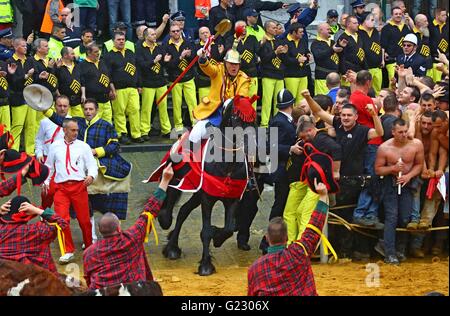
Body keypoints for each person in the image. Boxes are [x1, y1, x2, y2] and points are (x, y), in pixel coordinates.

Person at [302, 89, 383, 258]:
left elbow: (380, 133)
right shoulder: (338, 124)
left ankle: (353, 253)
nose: (345, 118)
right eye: (344, 115)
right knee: (337, 217)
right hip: (338, 180)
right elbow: (318, 112)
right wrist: (308, 97)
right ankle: (339, 252)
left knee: (350, 218)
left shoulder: (363, 131)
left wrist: (374, 115)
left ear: (355, 117)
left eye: (349, 115)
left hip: (354, 180)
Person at [83, 163, 173, 290]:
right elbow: (150, 210)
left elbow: (88, 279)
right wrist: (165, 180)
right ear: (119, 228)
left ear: (100, 231)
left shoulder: (89, 253)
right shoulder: (132, 238)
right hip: (132, 292)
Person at [45, 99, 132, 221]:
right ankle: (91, 235)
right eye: (85, 109)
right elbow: (59, 120)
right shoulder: (77, 123)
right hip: (80, 167)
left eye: (91, 109)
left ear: (97, 110)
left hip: (100, 166)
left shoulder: (106, 125)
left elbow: (114, 146)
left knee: (109, 203)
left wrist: (96, 151)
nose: (88, 111)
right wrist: (44, 108)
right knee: (85, 206)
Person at [248, 178, 330, 296]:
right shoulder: (299, 252)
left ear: (267, 238)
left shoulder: (255, 268)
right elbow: (314, 228)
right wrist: (322, 196)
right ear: (286, 237)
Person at [44, 118, 98, 264]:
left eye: (77, 130)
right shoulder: (54, 146)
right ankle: (67, 250)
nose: (76, 133)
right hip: (61, 188)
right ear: (64, 130)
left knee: (84, 221)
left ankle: (89, 246)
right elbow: (49, 166)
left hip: (79, 186)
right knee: (61, 220)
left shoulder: (84, 147)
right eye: (73, 130)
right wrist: (46, 180)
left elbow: (92, 165)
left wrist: (91, 176)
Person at [283, 115, 341, 244]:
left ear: (309, 130)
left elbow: (337, 149)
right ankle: (295, 245)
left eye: (303, 137)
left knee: (305, 215)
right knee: (298, 212)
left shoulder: (322, 139)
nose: (302, 140)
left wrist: (336, 171)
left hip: (319, 184)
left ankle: (303, 248)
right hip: (311, 183)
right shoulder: (313, 140)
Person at [374, 118, 424, 265]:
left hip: (407, 183)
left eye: (405, 131)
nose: (403, 135)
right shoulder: (384, 148)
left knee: (405, 217)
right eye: (400, 132)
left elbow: (419, 164)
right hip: (390, 183)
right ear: (393, 132)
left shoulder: (416, 144)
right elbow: (377, 169)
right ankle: (389, 253)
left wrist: (408, 176)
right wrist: (392, 169)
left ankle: (400, 249)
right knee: (392, 216)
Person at [191, 33, 250, 142]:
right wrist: (203, 58)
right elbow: (208, 68)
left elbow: (241, 98)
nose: (233, 67)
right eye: (230, 63)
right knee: (195, 134)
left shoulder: (244, 78)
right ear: (225, 63)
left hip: (233, 116)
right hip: (214, 111)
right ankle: (191, 157)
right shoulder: (218, 69)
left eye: (236, 64)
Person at [259, 89, 297, 253]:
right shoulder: (279, 121)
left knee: (282, 204)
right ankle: (267, 240)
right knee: (279, 204)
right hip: (282, 170)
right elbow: (270, 147)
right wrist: (290, 148)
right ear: (292, 104)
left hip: (285, 169)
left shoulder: (284, 120)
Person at [0, 195, 68, 274]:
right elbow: (62, 224)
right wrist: (39, 211)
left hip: (4, 278)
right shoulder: (38, 230)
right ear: (28, 214)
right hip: (35, 281)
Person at [350, 70, 384, 228]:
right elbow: (375, 118)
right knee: (371, 178)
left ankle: (368, 213)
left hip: (362, 142)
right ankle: (363, 212)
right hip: (372, 142)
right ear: (369, 82)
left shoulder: (353, 97)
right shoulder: (365, 99)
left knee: (368, 177)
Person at [104, 32, 143, 144]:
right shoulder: (109, 56)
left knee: (135, 110)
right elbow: (107, 74)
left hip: (132, 88)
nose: (121, 41)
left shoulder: (130, 53)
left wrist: (139, 84)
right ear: (113, 41)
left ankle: (136, 134)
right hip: (118, 89)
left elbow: (137, 69)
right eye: (118, 39)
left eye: (123, 39)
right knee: (119, 112)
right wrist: (111, 89)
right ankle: (122, 134)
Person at [136, 27, 172, 140]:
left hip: (161, 82)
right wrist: (154, 61)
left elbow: (163, 65)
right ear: (146, 36)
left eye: (155, 34)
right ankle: (144, 131)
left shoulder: (159, 47)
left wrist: (165, 61)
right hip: (147, 83)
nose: (154, 36)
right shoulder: (140, 49)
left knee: (163, 108)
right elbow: (141, 65)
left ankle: (166, 130)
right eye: (152, 34)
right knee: (146, 109)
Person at [35, 95, 70, 209]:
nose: (62, 108)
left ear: (69, 107)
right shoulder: (45, 122)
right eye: (59, 105)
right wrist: (39, 153)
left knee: (62, 190)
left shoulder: (73, 123)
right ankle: (44, 212)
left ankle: (61, 214)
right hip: (47, 161)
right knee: (46, 191)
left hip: (64, 162)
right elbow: (39, 139)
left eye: (65, 106)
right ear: (55, 106)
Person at [163, 23, 197, 132]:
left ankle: (195, 124)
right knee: (177, 105)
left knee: (192, 103)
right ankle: (178, 127)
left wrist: (189, 55)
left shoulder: (188, 43)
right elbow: (168, 65)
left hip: (188, 78)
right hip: (175, 79)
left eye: (177, 30)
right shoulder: (166, 46)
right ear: (170, 33)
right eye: (173, 31)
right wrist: (181, 57)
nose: (176, 33)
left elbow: (194, 60)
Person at [7, 38, 36, 155]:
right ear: (15, 47)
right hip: (18, 98)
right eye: (23, 46)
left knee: (31, 126)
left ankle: (30, 152)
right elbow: (12, 81)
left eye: (26, 46)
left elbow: (36, 77)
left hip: (31, 98)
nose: (25, 48)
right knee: (17, 126)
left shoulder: (30, 60)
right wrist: (25, 76)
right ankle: (13, 153)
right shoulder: (10, 61)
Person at [259, 20, 287, 128]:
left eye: (276, 27)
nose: (276, 29)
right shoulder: (263, 42)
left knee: (278, 100)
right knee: (267, 100)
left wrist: (284, 52)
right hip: (268, 74)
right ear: (267, 29)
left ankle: (277, 122)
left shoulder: (278, 41)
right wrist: (275, 52)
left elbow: (283, 59)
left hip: (279, 74)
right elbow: (264, 59)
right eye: (273, 28)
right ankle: (264, 123)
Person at [79, 43, 113, 123]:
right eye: (95, 52)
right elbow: (82, 81)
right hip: (94, 101)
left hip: (106, 99)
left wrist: (112, 89)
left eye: (98, 51)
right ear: (89, 53)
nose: (98, 53)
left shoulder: (102, 62)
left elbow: (108, 77)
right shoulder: (82, 65)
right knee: (94, 123)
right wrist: (83, 94)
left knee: (108, 122)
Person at [229, 21, 258, 108]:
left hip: (252, 73)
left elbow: (258, 50)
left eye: (245, 27)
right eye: (242, 27)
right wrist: (236, 43)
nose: (244, 29)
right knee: (240, 99)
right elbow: (229, 53)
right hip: (238, 75)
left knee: (253, 98)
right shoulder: (230, 39)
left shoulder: (252, 38)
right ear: (236, 29)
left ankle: (252, 119)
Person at [310, 23, 345, 95]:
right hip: (323, 78)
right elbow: (318, 56)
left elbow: (339, 57)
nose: (330, 31)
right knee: (323, 100)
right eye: (328, 29)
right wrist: (332, 50)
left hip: (336, 78)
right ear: (321, 31)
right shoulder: (315, 43)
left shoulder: (332, 42)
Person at [380, 6, 411, 83]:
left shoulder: (405, 28)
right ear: (392, 15)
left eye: (400, 14)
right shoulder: (386, 28)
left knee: (404, 83)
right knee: (393, 83)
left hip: (404, 60)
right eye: (396, 14)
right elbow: (382, 45)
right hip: (392, 61)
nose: (398, 15)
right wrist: (382, 59)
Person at [196, 26, 224, 105]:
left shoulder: (217, 46)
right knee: (204, 105)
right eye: (202, 33)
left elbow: (220, 62)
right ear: (199, 36)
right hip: (203, 81)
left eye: (206, 32)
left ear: (210, 33)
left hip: (216, 82)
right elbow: (195, 63)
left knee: (217, 105)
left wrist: (222, 53)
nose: (205, 34)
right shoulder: (197, 47)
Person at [283, 22, 310, 103]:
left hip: (303, 74)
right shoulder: (285, 42)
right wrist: (297, 60)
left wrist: (308, 55)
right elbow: (284, 59)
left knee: (302, 99)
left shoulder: (302, 41)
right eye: (300, 32)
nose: (303, 34)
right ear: (294, 32)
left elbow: (306, 51)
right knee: (292, 99)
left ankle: (300, 115)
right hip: (291, 76)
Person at [358, 13, 383, 95]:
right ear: (365, 21)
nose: (374, 22)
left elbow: (380, 45)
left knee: (378, 91)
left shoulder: (375, 31)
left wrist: (382, 59)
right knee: (366, 91)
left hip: (378, 67)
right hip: (366, 68)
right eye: (372, 20)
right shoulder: (358, 32)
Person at [55, 47, 83, 117]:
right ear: (65, 55)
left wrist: (83, 94)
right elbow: (54, 83)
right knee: (65, 123)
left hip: (77, 101)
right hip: (64, 103)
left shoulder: (78, 65)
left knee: (79, 123)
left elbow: (83, 81)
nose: (74, 55)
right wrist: (59, 97)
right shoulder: (58, 67)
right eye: (72, 54)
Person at [429, 8, 448, 82]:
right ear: (437, 16)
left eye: (445, 15)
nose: (445, 16)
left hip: (447, 60)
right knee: (437, 83)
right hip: (435, 61)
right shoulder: (430, 27)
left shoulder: (447, 26)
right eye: (443, 15)